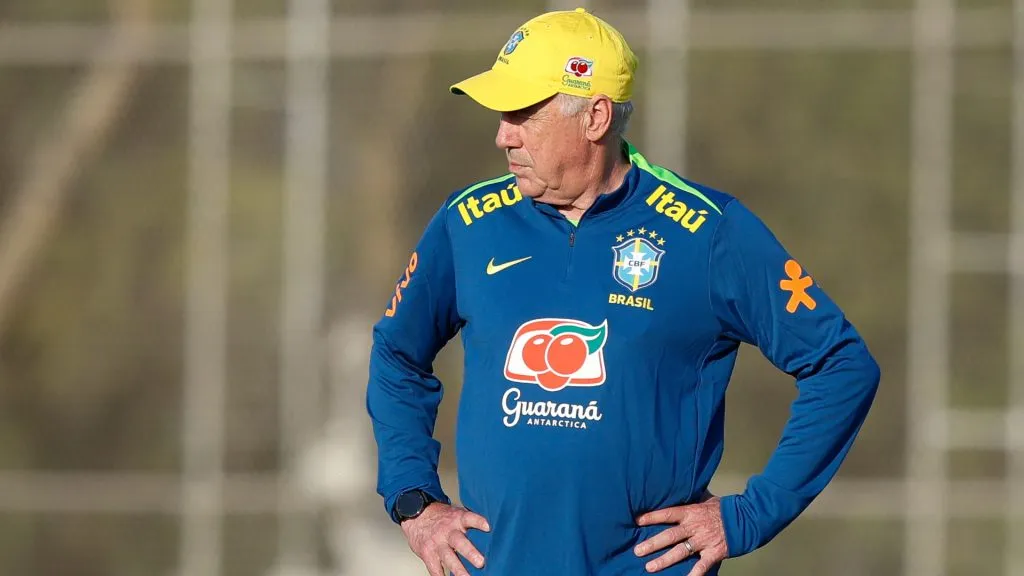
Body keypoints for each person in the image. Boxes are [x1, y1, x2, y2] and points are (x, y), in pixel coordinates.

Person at [365, 7, 880, 576]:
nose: (502, 134)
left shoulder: (708, 232)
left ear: (595, 117)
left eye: (522, 114)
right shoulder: (467, 223)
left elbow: (840, 364)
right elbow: (397, 353)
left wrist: (751, 515)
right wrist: (415, 500)